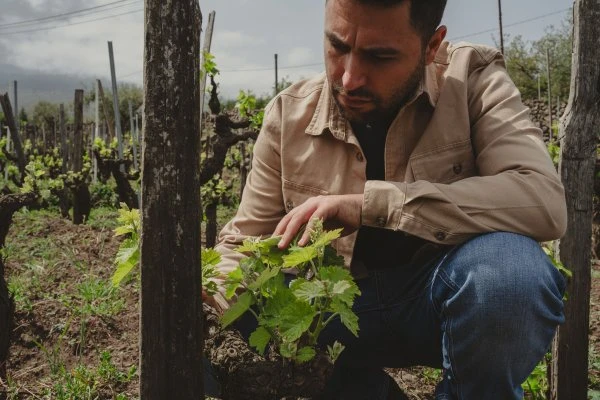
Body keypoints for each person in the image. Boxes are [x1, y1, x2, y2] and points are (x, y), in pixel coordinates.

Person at [206, 0, 568, 398]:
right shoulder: (288, 115)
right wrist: (204, 308)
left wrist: (370, 206)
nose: (349, 78)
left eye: (380, 57)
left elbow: (541, 198)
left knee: (510, 274)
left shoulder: (472, 80)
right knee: (223, 316)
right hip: (330, 313)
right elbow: (240, 246)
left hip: (442, 300)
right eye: (337, 47)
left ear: (432, 46)